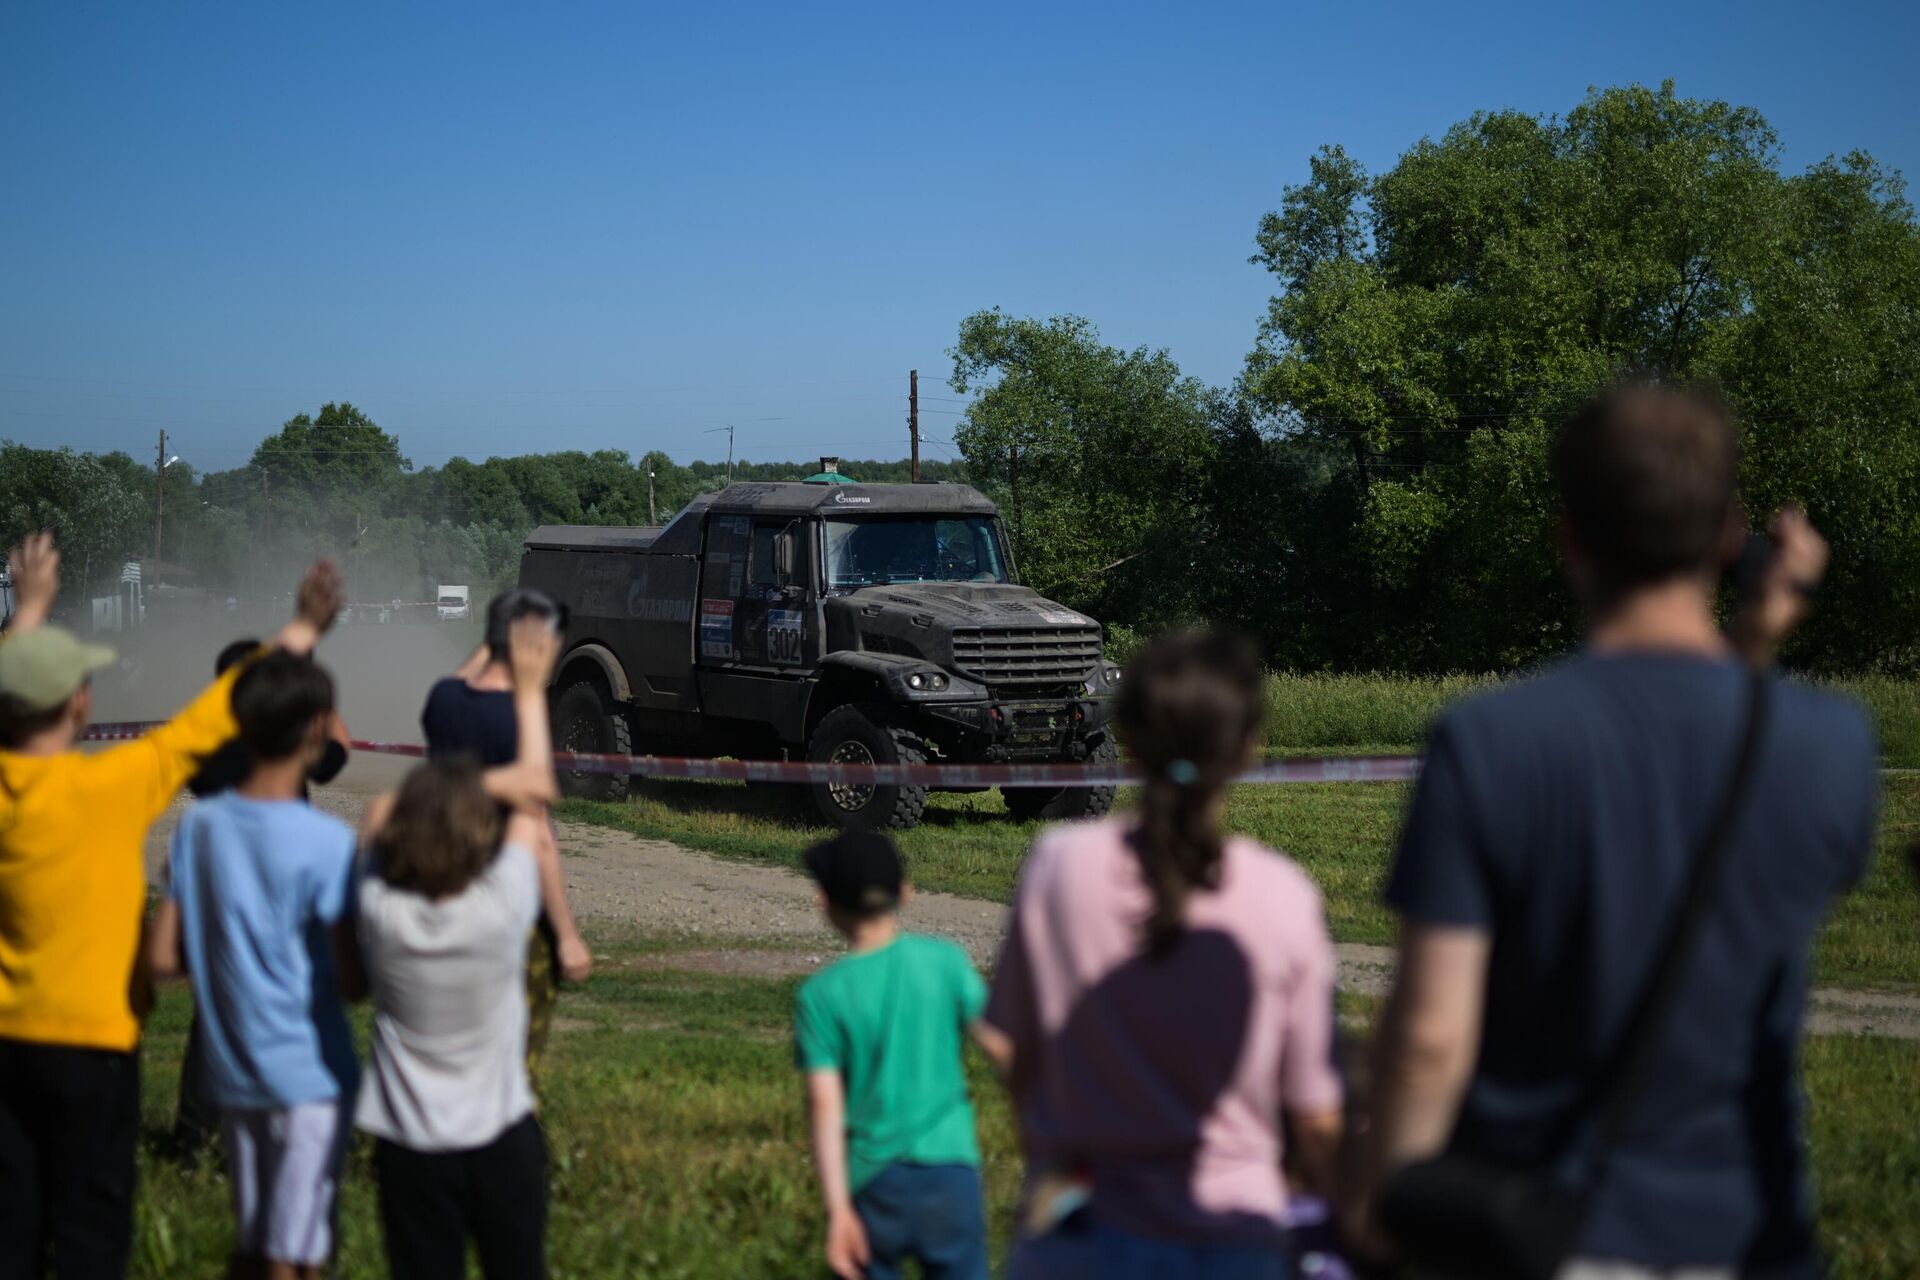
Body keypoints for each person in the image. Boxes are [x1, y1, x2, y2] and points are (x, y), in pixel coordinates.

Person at [1354, 381, 1876, 1278]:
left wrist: (1378, 1200)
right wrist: (1758, 635)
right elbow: (1703, 776)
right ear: (1727, 538)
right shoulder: (1833, 744)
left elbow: (1429, 1041)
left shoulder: (1489, 741)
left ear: (1570, 537)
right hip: (1750, 1235)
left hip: (1538, 1233)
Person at [0, 531, 343, 1279]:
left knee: (10, 1226)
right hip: (95, 1044)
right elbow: (215, 713)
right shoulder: (111, 786)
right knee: (91, 1229)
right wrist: (303, 631)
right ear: (82, 702)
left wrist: (26, 615)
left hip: (6, 1043)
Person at [985, 630, 1344, 1280]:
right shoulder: (1284, 896)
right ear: (1247, 748)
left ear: (1126, 737)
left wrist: (1051, 1146)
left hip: (1078, 1226)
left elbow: (1010, 1046)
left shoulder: (1058, 867)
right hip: (1231, 1235)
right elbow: (1315, 1113)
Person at [352, 615, 562, 1280]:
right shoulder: (501, 910)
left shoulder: (380, 912)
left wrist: (441, 785)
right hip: (502, 1141)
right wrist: (529, 689)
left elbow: (378, 816)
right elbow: (535, 795)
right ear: (481, 845)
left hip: (410, 1149)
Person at [146, 651, 360, 1280]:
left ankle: (189, 1140)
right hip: (309, 1074)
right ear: (314, 728)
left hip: (234, 1070)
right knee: (294, 1255)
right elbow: (354, 981)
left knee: (253, 1239)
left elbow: (162, 956)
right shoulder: (330, 844)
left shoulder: (198, 827)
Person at [170, 637, 354, 1157]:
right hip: (282, 877)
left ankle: (193, 1136)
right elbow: (334, 755)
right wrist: (319, 706)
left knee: (214, 1012)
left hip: (228, 882)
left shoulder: (212, 760)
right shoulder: (286, 751)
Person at [793, 829, 1002, 1280]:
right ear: (906, 892)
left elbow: (825, 1107)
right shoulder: (945, 962)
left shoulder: (821, 995)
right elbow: (1003, 1046)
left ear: (825, 903)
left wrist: (837, 1211)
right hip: (950, 1175)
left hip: (874, 1184)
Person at [421, 589, 590, 1077]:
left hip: (448, 889)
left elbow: (459, 680)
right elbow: (537, 831)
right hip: (508, 902)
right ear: (533, 646)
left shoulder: (443, 701)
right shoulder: (520, 721)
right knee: (515, 1055)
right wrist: (566, 934)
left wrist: (494, 640)